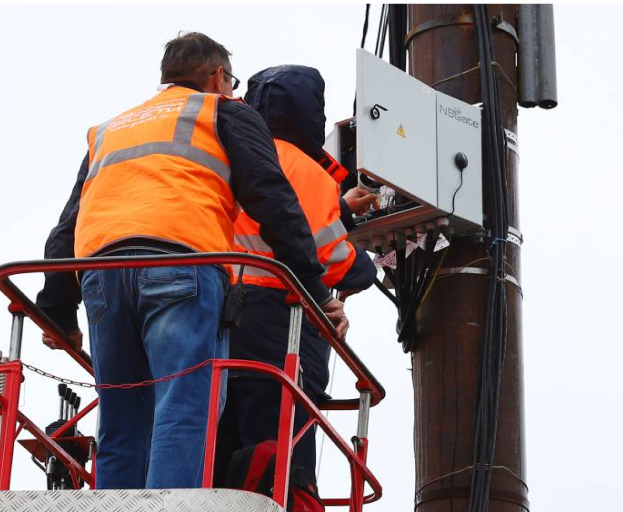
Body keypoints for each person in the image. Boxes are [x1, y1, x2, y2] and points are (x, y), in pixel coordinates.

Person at [34, 34, 347, 490]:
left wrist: (57, 313)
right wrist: (316, 293)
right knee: (184, 409)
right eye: (232, 81)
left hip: (101, 275)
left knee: (121, 417)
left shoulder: (110, 130)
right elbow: (274, 201)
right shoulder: (222, 111)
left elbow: (67, 227)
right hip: (182, 267)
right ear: (219, 77)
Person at [216, 65, 377, 480]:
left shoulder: (223, 152)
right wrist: (364, 266)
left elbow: (267, 220)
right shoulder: (307, 170)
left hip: (211, 315)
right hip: (277, 321)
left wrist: (342, 209)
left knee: (216, 454)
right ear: (311, 114)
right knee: (281, 458)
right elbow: (331, 257)